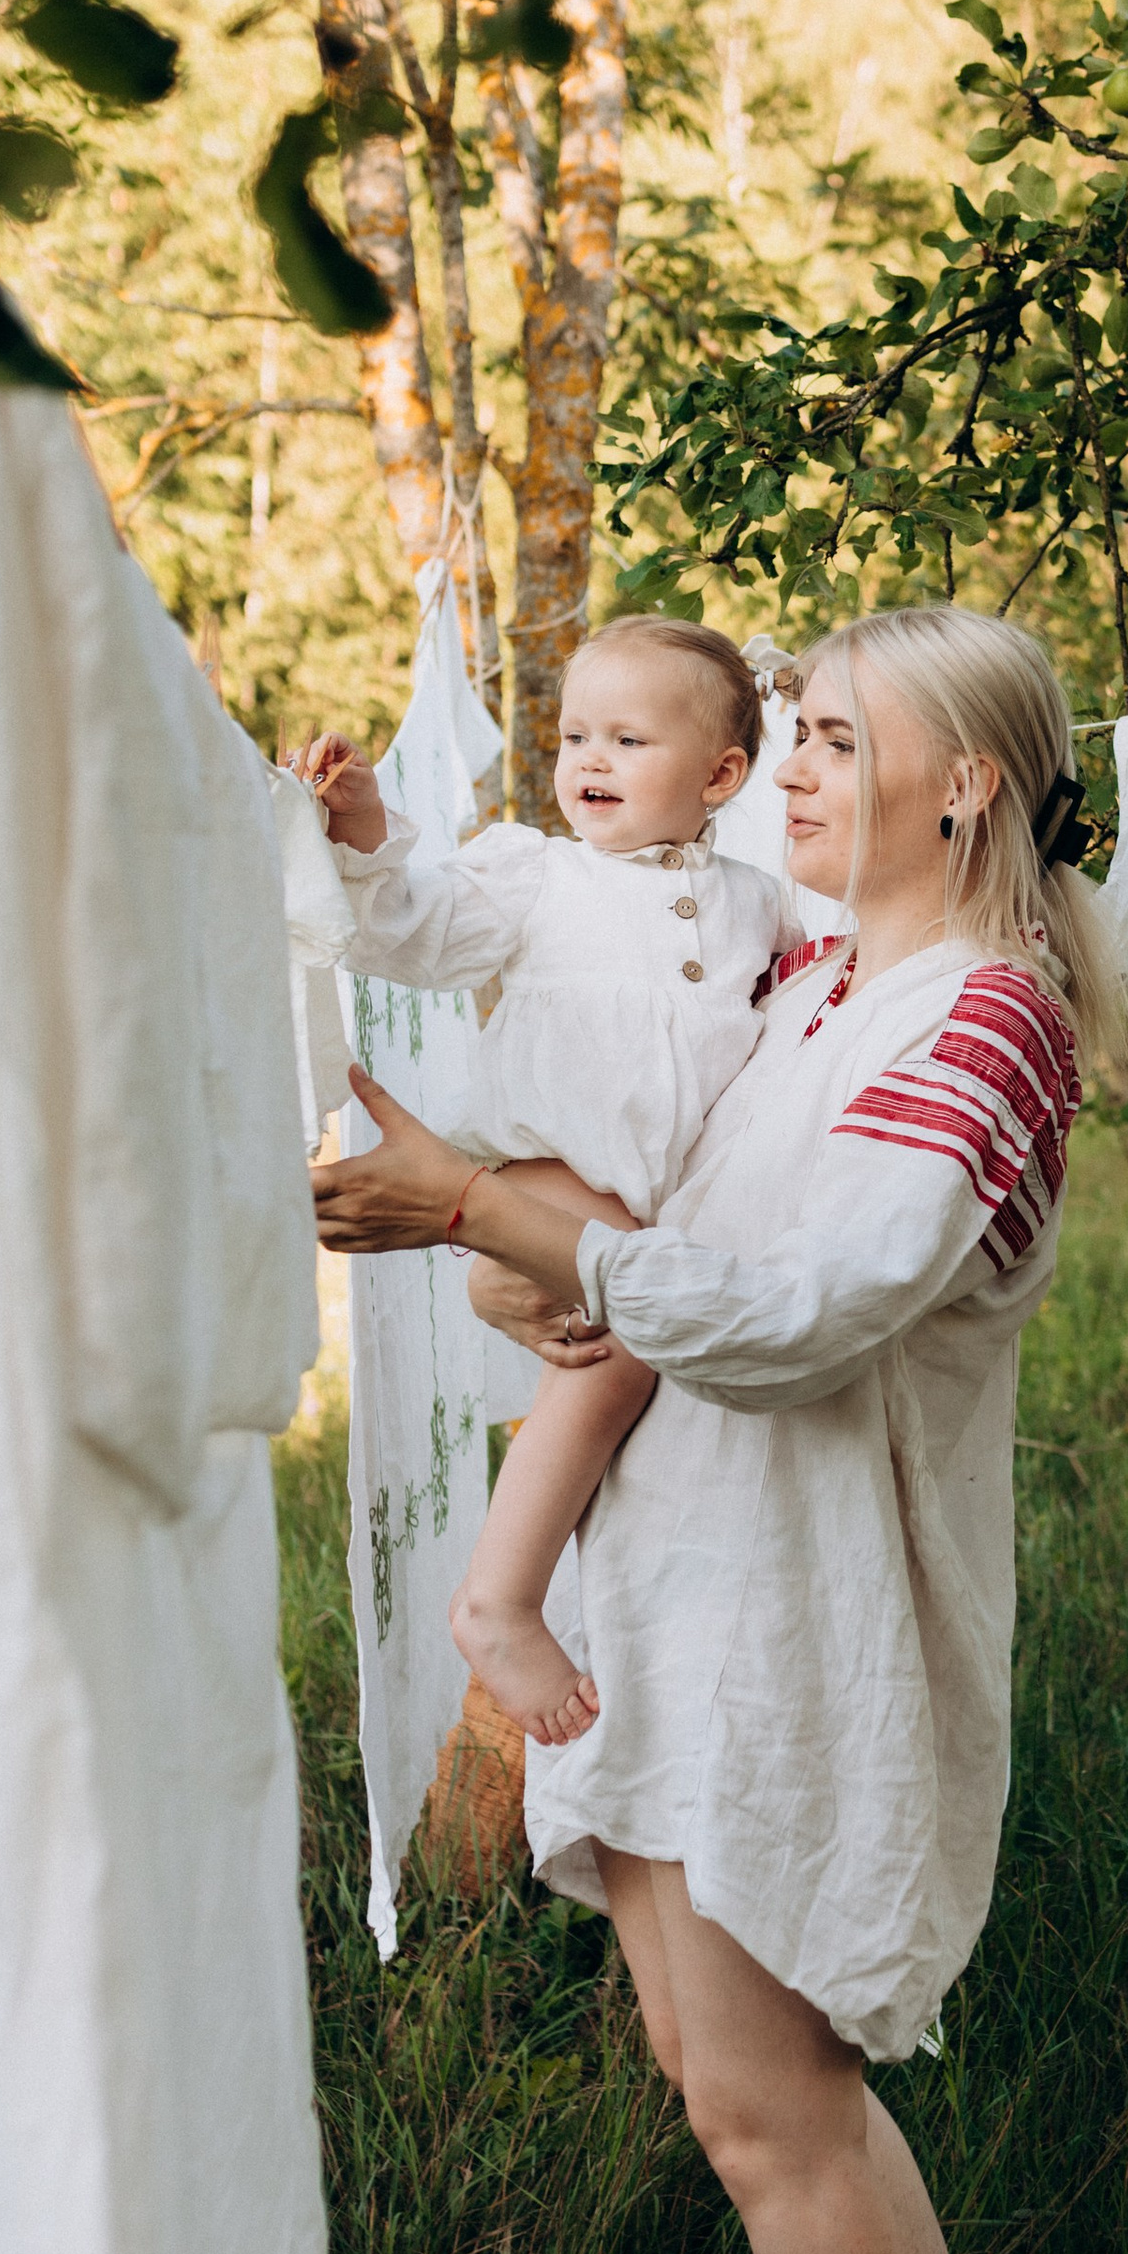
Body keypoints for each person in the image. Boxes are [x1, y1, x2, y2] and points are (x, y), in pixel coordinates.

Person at [312, 607, 1128, 2254]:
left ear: (959, 783)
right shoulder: (808, 984)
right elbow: (653, 1260)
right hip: (681, 1584)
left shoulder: (984, 1020)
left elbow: (791, 1314)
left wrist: (484, 1207)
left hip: (810, 1619)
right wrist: (519, 1245)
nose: (787, 770)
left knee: (772, 2105)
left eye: (834, 739)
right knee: (722, 2074)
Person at [293, 616, 789, 1746]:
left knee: (619, 1386)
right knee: (615, 1367)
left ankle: (553, 1605)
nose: (590, 761)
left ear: (721, 775)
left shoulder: (760, 903)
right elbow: (410, 932)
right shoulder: (534, 875)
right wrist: (363, 829)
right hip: (551, 1170)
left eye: (628, 738)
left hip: (649, 1206)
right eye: (574, 737)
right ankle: (497, 1604)